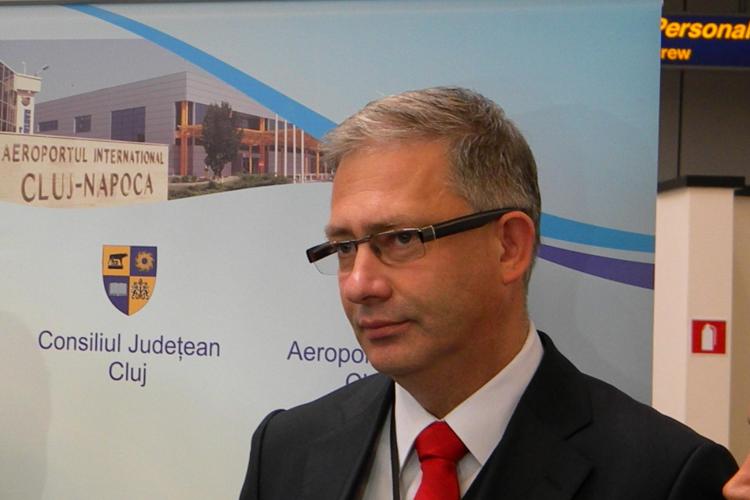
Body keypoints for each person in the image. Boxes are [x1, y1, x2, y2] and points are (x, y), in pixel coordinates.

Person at [239, 87, 737, 499]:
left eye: (402, 239)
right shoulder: (286, 450)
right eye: (345, 248)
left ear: (509, 247)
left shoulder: (666, 477)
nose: (359, 284)